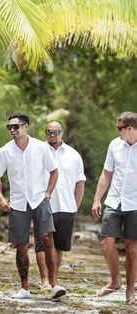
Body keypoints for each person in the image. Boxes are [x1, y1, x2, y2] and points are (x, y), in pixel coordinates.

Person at [0, 112, 65, 299]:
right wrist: (0, 197)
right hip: (17, 202)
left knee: (48, 240)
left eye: (15, 127)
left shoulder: (41, 147)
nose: (12, 130)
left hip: (40, 200)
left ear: (26, 127)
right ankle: (24, 288)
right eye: (9, 127)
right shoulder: (5, 151)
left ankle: (54, 285)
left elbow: (54, 172)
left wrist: (47, 193)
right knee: (21, 245)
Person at [92, 111, 137, 305]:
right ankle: (115, 280)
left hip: (135, 203)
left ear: (130, 128)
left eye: (119, 128)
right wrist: (96, 199)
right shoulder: (114, 145)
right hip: (114, 200)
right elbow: (106, 173)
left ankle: (130, 291)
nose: (117, 131)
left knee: (132, 248)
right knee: (106, 242)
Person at [35, 120, 86, 289]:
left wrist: (75, 206)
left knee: (59, 246)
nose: (52, 135)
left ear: (62, 133)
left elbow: (80, 182)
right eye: (49, 132)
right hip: (45, 205)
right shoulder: (37, 151)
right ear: (45, 133)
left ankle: (53, 280)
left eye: (56, 132)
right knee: (43, 244)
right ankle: (45, 281)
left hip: (66, 207)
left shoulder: (74, 155)